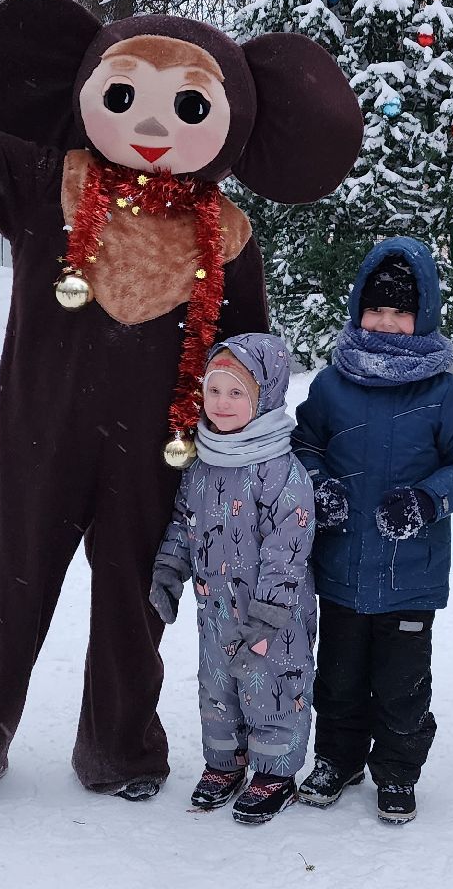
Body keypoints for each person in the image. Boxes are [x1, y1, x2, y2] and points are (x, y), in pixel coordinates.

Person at [0, 0, 358, 803]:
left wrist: (252, 461)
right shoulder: (46, 185)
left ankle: (122, 750)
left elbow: (249, 362)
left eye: (190, 106)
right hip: (40, 439)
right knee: (8, 591)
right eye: (126, 94)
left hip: (159, 455)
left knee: (137, 608)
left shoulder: (230, 240)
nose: (154, 125)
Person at [289, 238, 453, 824]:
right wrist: (319, 483)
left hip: (411, 573)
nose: (385, 322)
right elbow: (303, 444)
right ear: (357, 311)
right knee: (340, 677)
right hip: (342, 567)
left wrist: (428, 500)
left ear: (421, 316)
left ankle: (398, 773)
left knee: (402, 686)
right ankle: (338, 757)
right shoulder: (331, 385)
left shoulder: (441, 393)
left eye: (400, 311)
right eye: (375, 310)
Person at [149, 333, 317, 825]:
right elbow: (184, 522)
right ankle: (225, 763)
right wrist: (169, 572)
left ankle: (274, 772)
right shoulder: (202, 463)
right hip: (215, 609)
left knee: (272, 691)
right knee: (217, 689)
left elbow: (287, 554)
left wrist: (267, 621)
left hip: (272, 619)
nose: (221, 404)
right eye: (214, 390)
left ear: (263, 397)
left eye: (237, 393)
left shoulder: (283, 473)